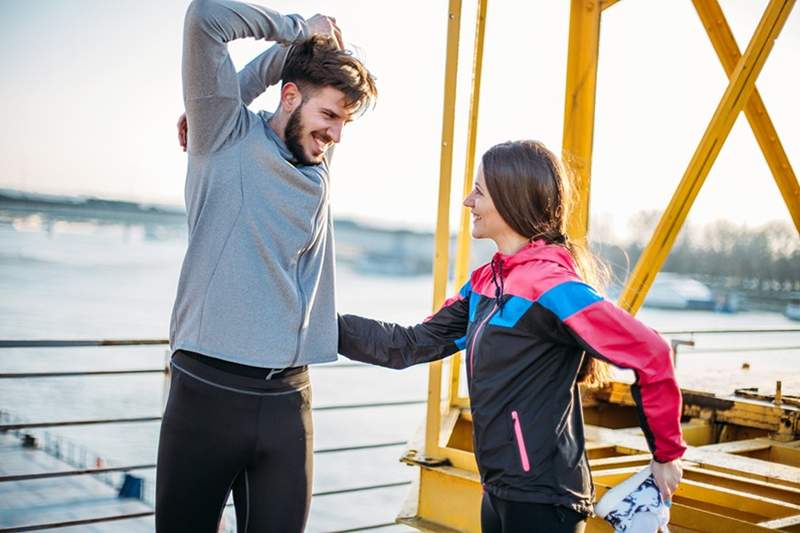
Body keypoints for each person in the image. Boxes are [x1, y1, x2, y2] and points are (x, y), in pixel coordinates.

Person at [337, 140, 685, 533]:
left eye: (479, 190)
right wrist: (319, 325)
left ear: (511, 199)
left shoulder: (554, 287)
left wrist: (666, 455)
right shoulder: (487, 283)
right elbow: (408, 345)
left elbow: (652, 353)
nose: (468, 201)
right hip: (499, 490)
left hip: (545, 499)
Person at [157, 1, 376, 531]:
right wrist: (298, 31)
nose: (336, 136)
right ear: (291, 98)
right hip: (207, 392)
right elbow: (205, 18)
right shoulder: (221, 135)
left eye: (344, 123)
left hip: (288, 402)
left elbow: (312, 74)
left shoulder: (315, 154)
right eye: (329, 117)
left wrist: (306, 54)